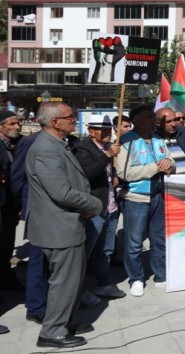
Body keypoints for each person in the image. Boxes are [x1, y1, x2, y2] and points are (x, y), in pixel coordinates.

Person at [26, 102, 102, 348]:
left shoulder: (56, 144)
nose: (74, 120)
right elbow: (61, 192)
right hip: (58, 226)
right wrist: (94, 203)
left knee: (72, 280)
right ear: (55, 122)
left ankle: (65, 321)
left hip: (67, 222)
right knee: (64, 282)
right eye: (70, 116)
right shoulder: (46, 149)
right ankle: (52, 332)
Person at [116, 105, 175, 297]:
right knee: (134, 241)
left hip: (159, 196)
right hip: (136, 199)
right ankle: (136, 278)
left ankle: (161, 275)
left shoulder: (158, 138)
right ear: (137, 120)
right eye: (149, 117)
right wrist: (155, 167)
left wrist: (169, 164)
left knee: (159, 239)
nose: (154, 120)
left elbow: (171, 160)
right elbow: (125, 173)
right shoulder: (126, 141)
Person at [72, 115, 126, 300]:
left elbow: (109, 172)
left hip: (110, 206)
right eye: (102, 130)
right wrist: (107, 156)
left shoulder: (108, 147)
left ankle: (103, 283)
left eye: (109, 130)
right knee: (85, 252)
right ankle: (78, 290)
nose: (107, 133)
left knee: (106, 250)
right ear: (91, 131)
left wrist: (114, 174)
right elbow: (87, 173)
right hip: (94, 208)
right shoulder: (82, 149)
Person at [0, 110, 23, 290]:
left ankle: (6, 276)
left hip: (11, 204)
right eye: (12, 124)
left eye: (18, 123)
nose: (17, 126)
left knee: (7, 244)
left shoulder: (20, 144)